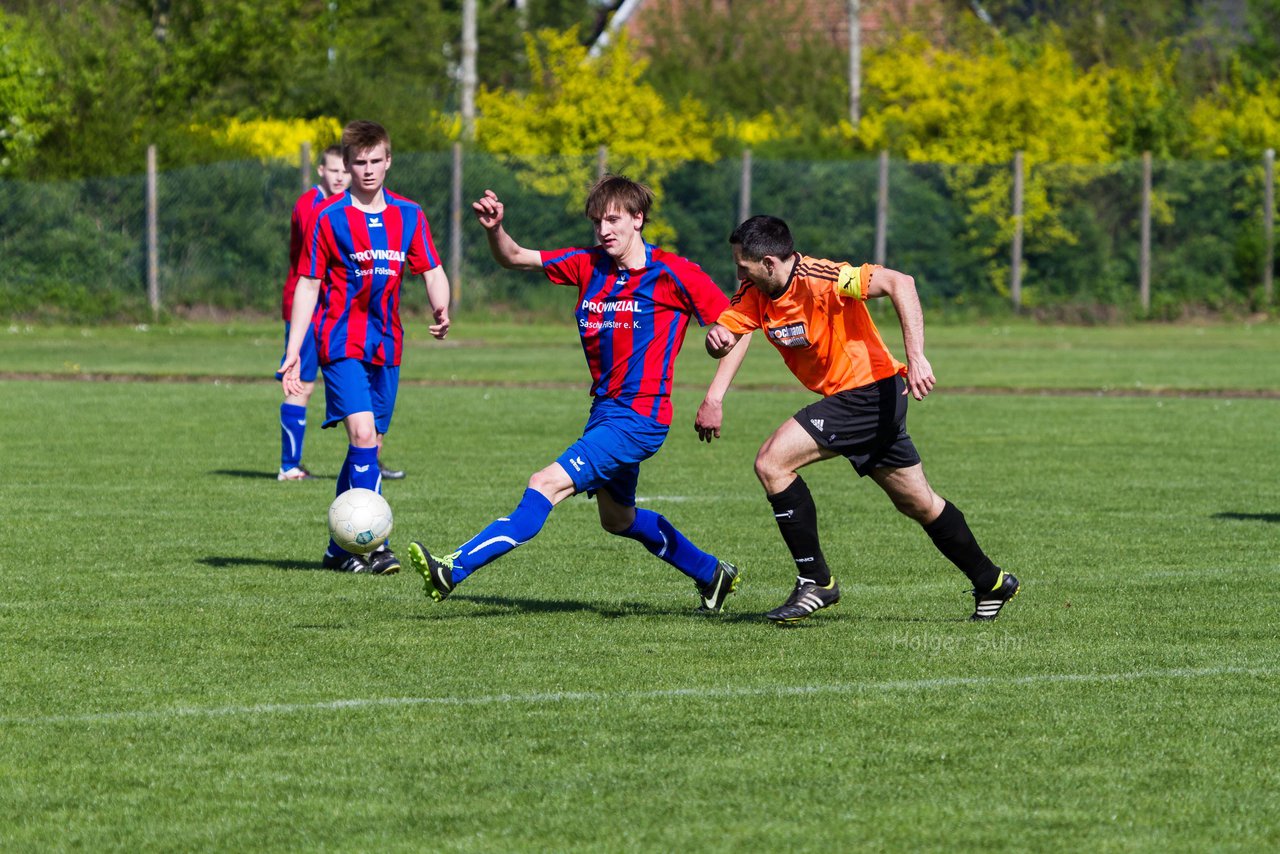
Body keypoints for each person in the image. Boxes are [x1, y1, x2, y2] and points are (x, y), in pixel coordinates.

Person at [408, 176, 750, 613]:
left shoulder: (673, 273)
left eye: (613, 219)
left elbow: (740, 330)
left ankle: (451, 568)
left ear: (638, 219)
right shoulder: (588, 265)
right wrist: (495, 230)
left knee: (543, 483)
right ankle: (711, 573)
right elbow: (514, 257)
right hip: (605, 412)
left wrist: (714, 398)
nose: (604, 230)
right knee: (618, 519)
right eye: (597, 222)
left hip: (640, 417)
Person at [699, 215, 1019, 623]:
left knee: (772, 462)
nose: (737, 271)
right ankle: (991, 582)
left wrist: (917, 356)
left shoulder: (825, 277)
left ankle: (816, 580)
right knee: (919, 503)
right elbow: (731, 334)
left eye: (742, 264)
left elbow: (900, 282)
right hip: (863, 401)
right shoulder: (755, 290)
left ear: (769, 263)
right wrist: (716, 348)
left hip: (868, 394)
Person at [280, 120, 451, 574]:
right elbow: (309, 283)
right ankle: (374, 546)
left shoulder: (409, 215)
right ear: (348, 164)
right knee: (361, 434)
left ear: (389, 160)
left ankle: (339, 551)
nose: (369, 170)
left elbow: (431, 269)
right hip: (340, 340)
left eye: (377, 161)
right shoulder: (328, 217)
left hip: (387, 344)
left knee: (369, 445)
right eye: (360, 162)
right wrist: (295, 348)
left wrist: (441, 309)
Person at [275, 144, 350, 481]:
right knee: (301, 384)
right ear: (321, 170)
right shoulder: (313, 206)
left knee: (353, 381)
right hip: (307, 306)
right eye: (334, 170)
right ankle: (289, 466)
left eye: (345, 171)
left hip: (335, 307)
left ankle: (367, 460)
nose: (341, 176)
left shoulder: (350, 205)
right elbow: (317, 261)